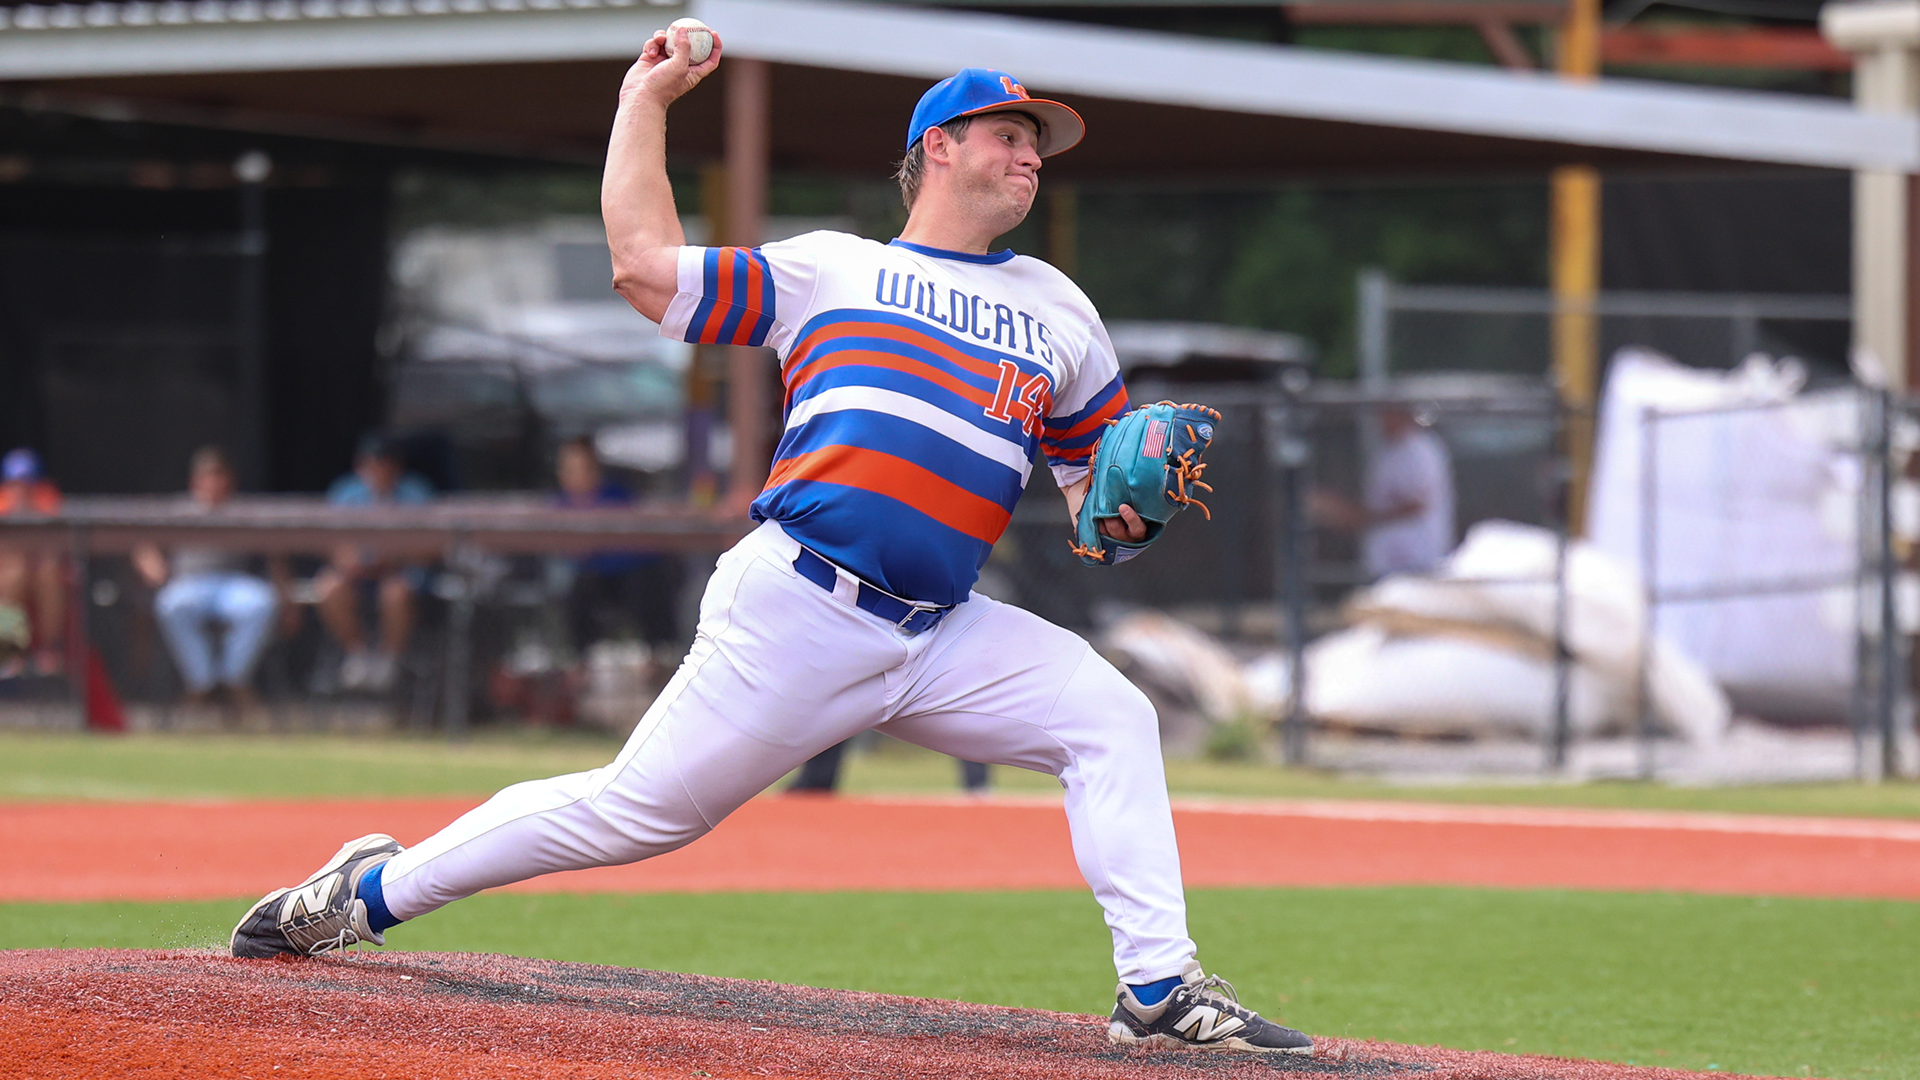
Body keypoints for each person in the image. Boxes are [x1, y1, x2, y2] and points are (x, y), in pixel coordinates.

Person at [232, 40, 1311, 1057]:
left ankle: (1159, 988)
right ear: (937, 146)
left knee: (1110, 716)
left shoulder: (1059, 308)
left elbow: (1092, 518)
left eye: (1039, 145)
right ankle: (364, 895)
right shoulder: (832, 269)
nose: (1031, 154)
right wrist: (643, 101)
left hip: (941, 631)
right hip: (802, 607)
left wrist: (1128, 516)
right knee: (633, 814)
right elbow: (643, 267)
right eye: (1009, 133)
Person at [133, 447, 279, 709]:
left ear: (229, 480)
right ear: (195, 481)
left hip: (232, 584)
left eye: (219, 476)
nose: (213, 482)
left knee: (263, 601)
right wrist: (153, 565)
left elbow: (275, 550)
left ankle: (234, 678)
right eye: (207, 476)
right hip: (190, 583)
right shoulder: (179, 510)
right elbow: (142, 542)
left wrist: (285, 587)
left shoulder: (243, 511)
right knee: (171, 605)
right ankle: (202, 683)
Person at [315, 434, 434, 693]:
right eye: (371, 463)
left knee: (396, 592)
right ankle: (357, 654)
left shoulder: (416, 493)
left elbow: (431, 546)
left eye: (384, 463)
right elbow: (329, 539)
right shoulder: (346, 491)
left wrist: (392, 557)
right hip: (357, 574)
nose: (377, 469)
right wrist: (347, 558)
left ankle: (387, 661)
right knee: (328, 586)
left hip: (401, 572)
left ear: (396, 467)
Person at [553, 436, 682, 662]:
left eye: (583, 468)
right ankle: (576, 663)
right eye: (569, 469)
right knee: (575, 593)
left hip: (629, 577)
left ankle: (657, 656)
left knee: (648, 588)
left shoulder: (618, 497)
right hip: (590, 583)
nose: (576, 477)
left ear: (595, 470)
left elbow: (643, 546)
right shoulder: (557, 507)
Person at [1312, 405, 1456, 577]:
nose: (1380, 421)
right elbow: (1380, 502)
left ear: (1400, 415)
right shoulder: (1388, 450)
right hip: (1386, 561)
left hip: (1416, 560)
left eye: (1386, 415)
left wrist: (1357, 517)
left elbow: (1416, 505)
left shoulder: (1419, 450)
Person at [0, 448, 65, 676]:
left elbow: (54, 546)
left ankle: (49, 648)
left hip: (38, 570)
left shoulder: (46, 499)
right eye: (16, 481)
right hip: (7, 575)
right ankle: (8, 650)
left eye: (27, 481)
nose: (21, 488)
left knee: (48, 571)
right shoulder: (2, 501)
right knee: (14, 573)